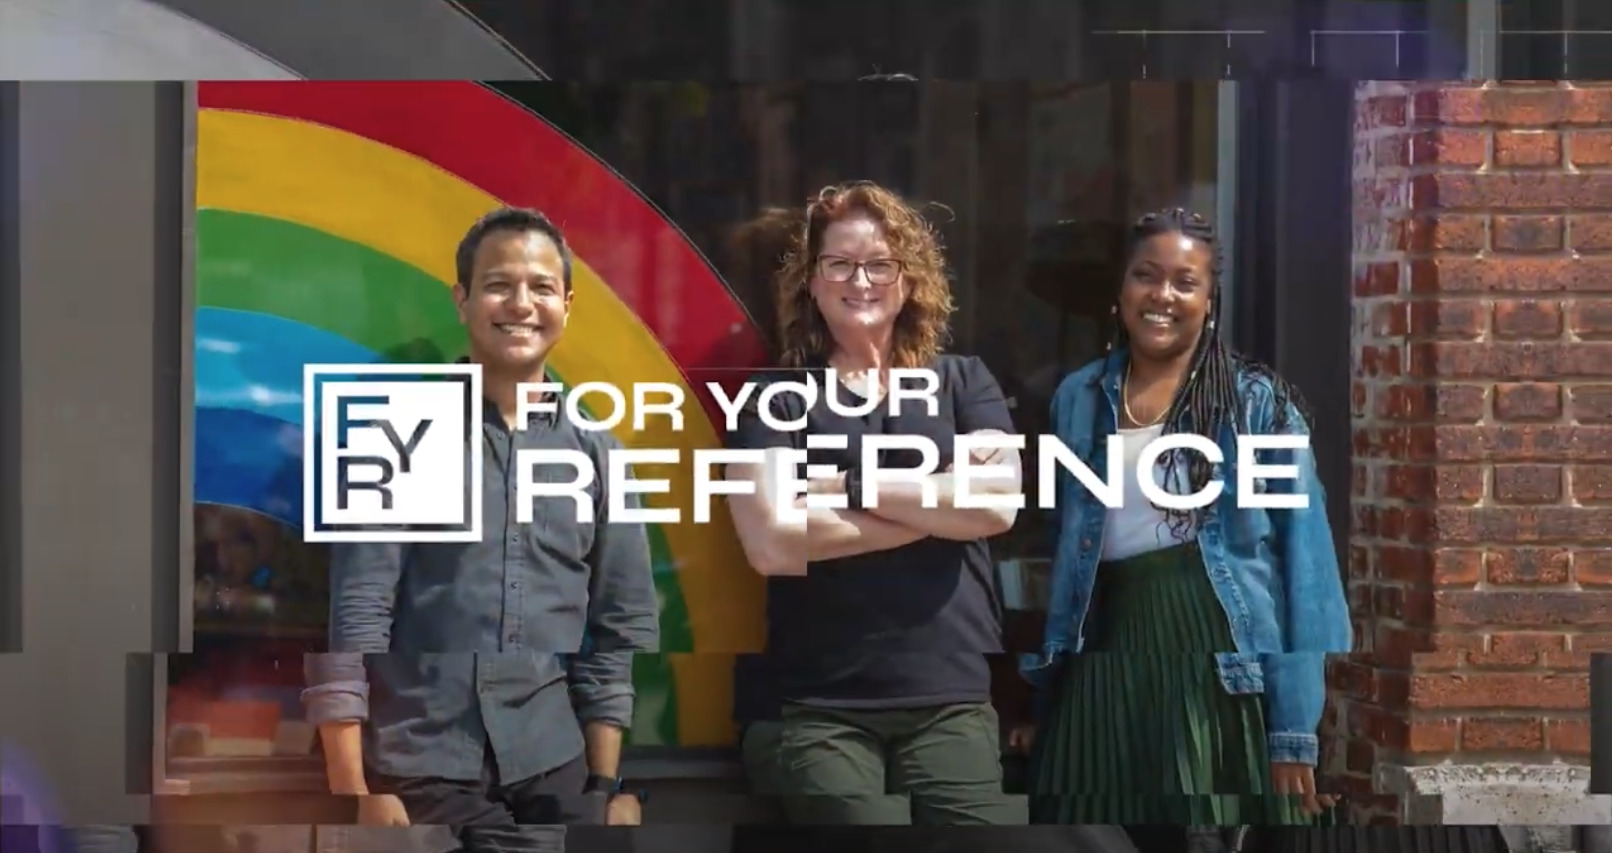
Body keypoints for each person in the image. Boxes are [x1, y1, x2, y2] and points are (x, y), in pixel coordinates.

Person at [303, 207, 660, 853]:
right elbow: (356, 620)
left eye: (541, 287)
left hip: (551, 764)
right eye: (499, 284)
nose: (521, 304)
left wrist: (603, 789)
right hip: (420, 766)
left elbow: (614, 634)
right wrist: (352, 790)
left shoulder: (598, 455)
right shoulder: (397, 436)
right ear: (462, 299)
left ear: (567, 304)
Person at [1019, 207, 1353, 843]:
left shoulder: (1257, 405)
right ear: (1119, 290)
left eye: (1184, 281)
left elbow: (1305, 574)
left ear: (1209, 298)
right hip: (1102, 657)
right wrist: (1046, 688)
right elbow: (1069, 553)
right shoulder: (1077, 398)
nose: (1162, 296)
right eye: (1146, 276)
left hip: (1207, 663)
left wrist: (1293, 734)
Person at [723, 181, 1024, 831]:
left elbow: (997, 507)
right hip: (815, 705)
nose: (860, 280)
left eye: (879, 263)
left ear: (909, 278)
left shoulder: (964, 382)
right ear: (812, 279)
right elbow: (773, 544)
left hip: (949, 696)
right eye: (840, 263)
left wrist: (848, 486)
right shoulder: (773, 397)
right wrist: (936, 507)